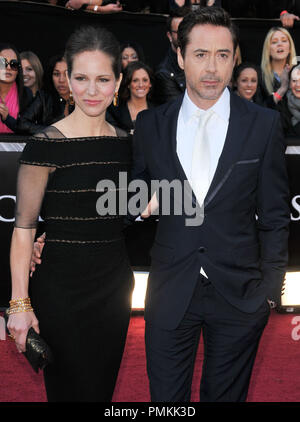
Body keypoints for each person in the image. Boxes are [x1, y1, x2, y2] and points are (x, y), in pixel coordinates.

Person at [132, 7, 290, 402]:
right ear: (181, 56)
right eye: (201, 54)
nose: (212, 67)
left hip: (239, 295)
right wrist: (139, 200)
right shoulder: (151, 124)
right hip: (170, 291)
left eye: (223, 55)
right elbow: (136, 190)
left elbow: (274, 215)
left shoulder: (263, 124)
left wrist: (269, 291)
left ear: (234, 58)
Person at [7, 25, 134, 402]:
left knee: (101, 392)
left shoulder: (129, 145)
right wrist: (20, 305)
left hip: (113, 290)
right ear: (66, 78)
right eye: (81, 78)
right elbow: (25, 229)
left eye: (102, 79)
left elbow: (132, 206)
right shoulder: (44, 146)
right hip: (60, 291)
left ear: (118, 81)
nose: (91, 91)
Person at [17, 54, 74, 135]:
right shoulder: (44, 98)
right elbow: (21, 124)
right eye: (56, 74)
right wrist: (51, 131)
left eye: (67, 74)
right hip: (51, 146)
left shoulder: (83, 98)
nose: (61, 80)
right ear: (51, 76)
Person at [108, 61, 155, 134]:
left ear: (150, 84)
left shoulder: (158, 111)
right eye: (135, 80)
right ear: (128, 84)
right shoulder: (116, 112)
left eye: (145, 80)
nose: (141, 85)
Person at [155, 7, 190, 104]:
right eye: (179, 31)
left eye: (187, 29)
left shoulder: (203, 59)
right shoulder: (164, 72)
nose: (184, 35)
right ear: (169, 36)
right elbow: (177, 109)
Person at [0, 43, 32, 134]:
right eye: (3, 63)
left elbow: (29, 130)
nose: (9, 68)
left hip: (17, 147)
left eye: (13, 64)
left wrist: (7, 118)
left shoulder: (26, 94)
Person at [261, 27, 297, 107]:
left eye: (284, 41)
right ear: (268, 50)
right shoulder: (259, 76)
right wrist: (282, 88)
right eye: (274, 42)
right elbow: (259, 109)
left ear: (290, 48)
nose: (280, 44)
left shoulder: (297, 73)